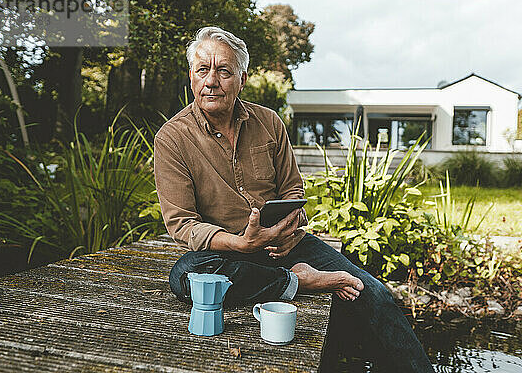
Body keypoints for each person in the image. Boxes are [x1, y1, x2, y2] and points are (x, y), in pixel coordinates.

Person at [154, 26, 435, 372]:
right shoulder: (172, 138)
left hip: (286, 246)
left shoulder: (269, 122)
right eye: (202, 70)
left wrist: (287, 231)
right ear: (191, 77)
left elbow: (293, 192)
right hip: (226, 255)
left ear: (242, 79)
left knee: (373, 293)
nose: (211, 80)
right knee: (184, 273)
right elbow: (183, 224)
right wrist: (241, 244)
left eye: (223, 70)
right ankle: (301, 281)